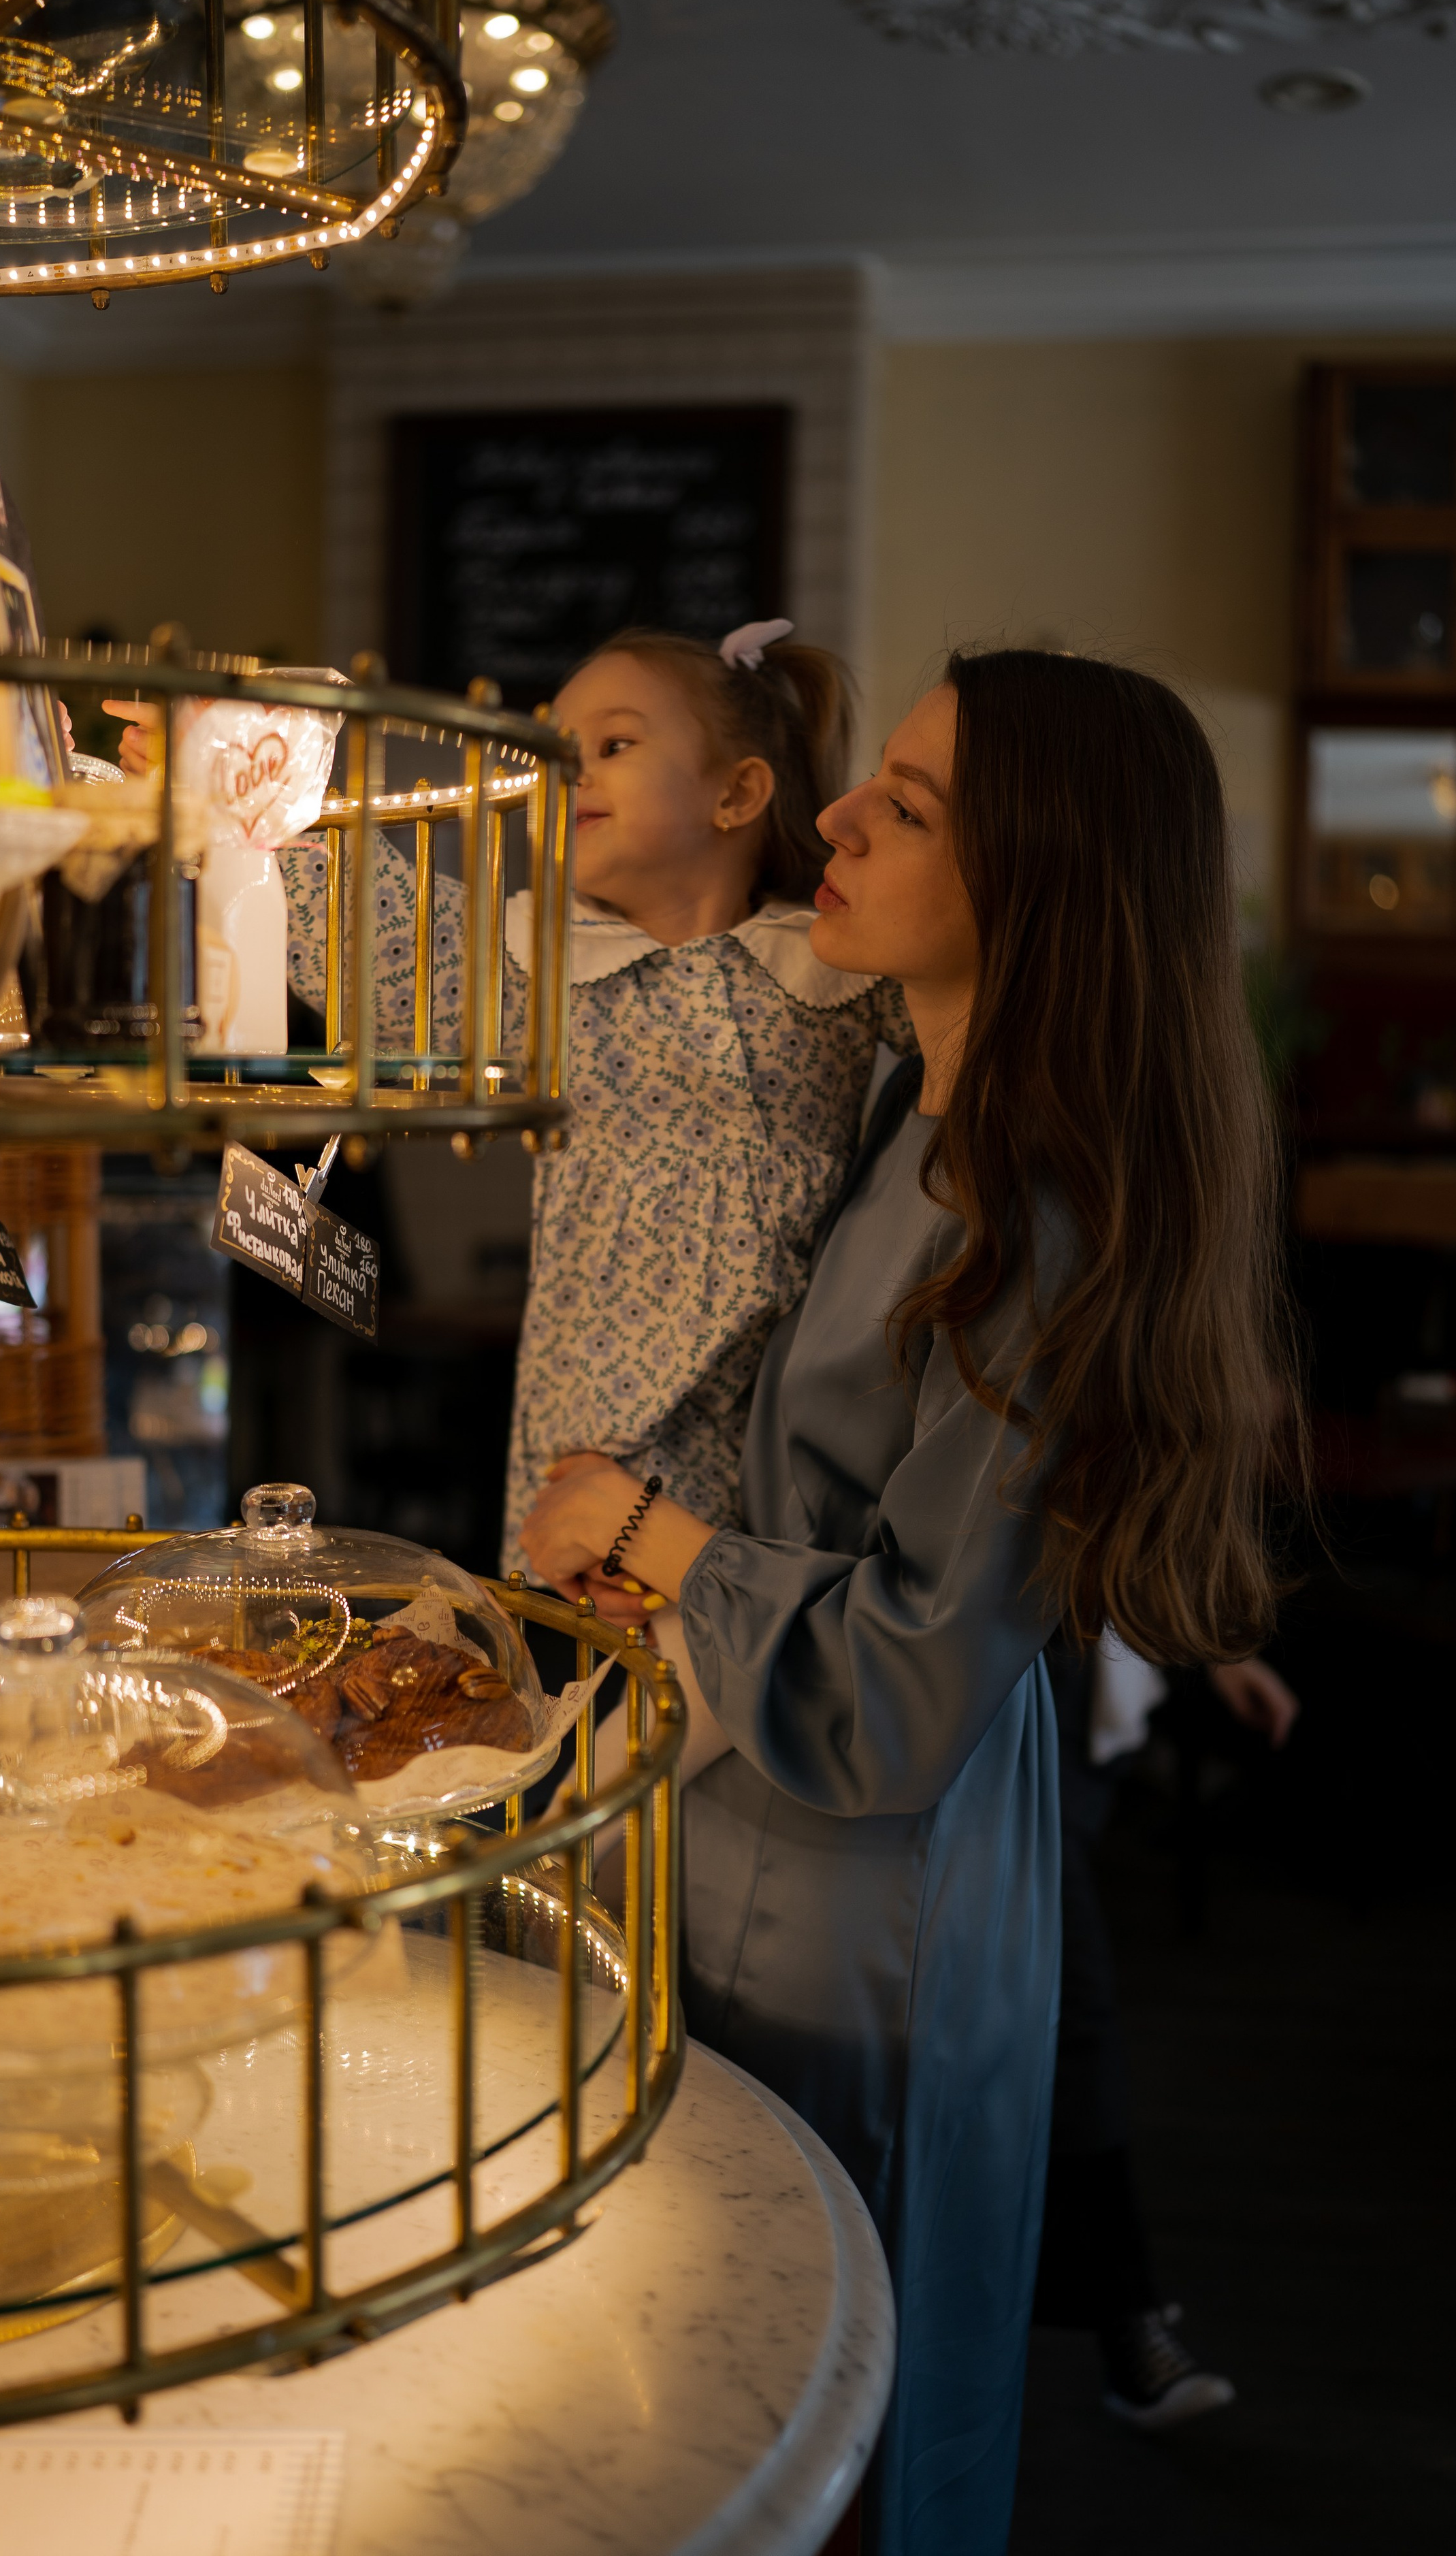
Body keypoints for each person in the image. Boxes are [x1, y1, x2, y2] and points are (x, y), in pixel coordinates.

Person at [519, 649, 1301, 2556]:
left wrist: (649, 1535)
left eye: (913, 804)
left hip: (877, 1881)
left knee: (825, 2350)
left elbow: (902, 1687)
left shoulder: (1042, 1217)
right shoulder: (909, 1119)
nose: (835, 815)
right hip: (758, 1820)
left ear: (1043, 885)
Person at [110, 626, 916, 1583]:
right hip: (590, 1436)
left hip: (786, 1434)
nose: (570, 772)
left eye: (614, 746)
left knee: (749, 1674)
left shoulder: (830, 960)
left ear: (738, 794)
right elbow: (382, 924)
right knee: (596, 1693)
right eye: (555, 752)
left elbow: (986, 1025)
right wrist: (224, 779)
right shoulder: (540, 970)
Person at [1036, 1636, 1300, 2429]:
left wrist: (1212, 1650)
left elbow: (1115, 1517)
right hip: (983, 1679)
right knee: (1072, 2014)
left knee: (1064, 2019)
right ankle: (1126, 2321)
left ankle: (1123, 2320)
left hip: (1070, 1698)